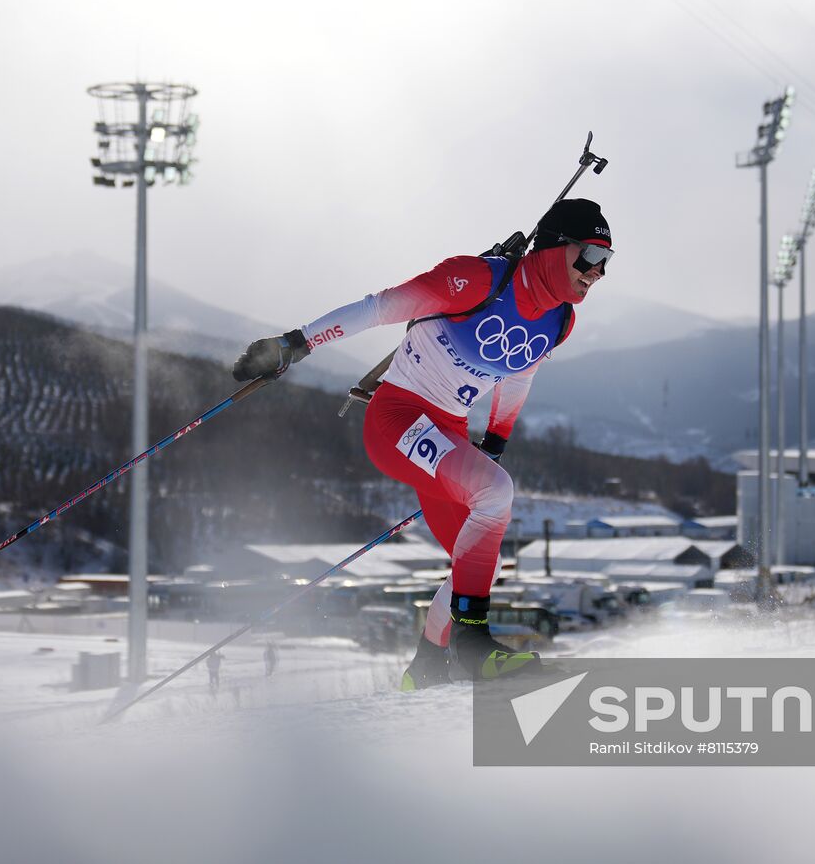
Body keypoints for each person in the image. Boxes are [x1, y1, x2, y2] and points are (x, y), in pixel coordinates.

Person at [232, 199, 613, 689]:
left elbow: (519, 376)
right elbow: (381, 308)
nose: (597, 272)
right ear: (556, 247)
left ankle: (428, 666)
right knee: (494, 494)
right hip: (398, 419)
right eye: (589, 255)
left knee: (480, 559)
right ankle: (474, 647)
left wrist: (493, 445)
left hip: (446, 432)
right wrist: (293, 344)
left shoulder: (559, 321)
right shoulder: (479, 280)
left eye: (607, 260)